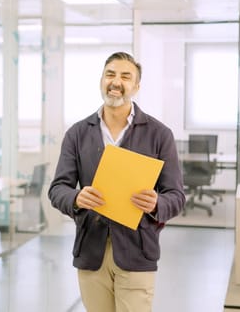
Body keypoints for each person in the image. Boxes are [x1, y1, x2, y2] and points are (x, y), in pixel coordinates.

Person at [48, 51, 185, 312]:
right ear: (101, 80)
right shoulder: (77, 133)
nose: (116, 81)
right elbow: (57, 189)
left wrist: (157, 203)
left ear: (136, 86)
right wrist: (76, 198)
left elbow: (176, 196)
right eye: (110, 74)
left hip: (136, 251)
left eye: (125, 76)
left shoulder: (159, 134)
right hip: (91, 252)